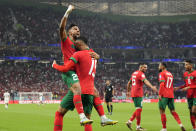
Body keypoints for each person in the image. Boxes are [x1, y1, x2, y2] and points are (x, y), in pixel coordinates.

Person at [53, 5, 117, 131]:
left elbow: (92, 58)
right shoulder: (66, 41)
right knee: (78, 88)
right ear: (70, 32)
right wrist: (68, 11)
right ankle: (82, 116)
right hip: (69, 72)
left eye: (79, 30)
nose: (78, 31)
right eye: (76, 29)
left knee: (94, 92)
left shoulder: (81, 47)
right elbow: (61, 28)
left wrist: (98, 57)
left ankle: (101, 117)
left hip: (80, 76)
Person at [126, 63, 157, 131]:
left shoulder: (134, 73)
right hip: (138, 93)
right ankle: (138, 127)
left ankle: (129, 122)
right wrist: (152, 86)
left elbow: (129, 83)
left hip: (134, 93)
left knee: (139, 109)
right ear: (141, 67)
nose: (146, 69)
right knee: (139, 110)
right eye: (144, 67)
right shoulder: (141, 74)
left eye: (146, 67)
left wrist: (128, 91)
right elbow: (145, 81)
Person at [158, 63, 185, 131]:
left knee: (162, 111)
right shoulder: (170, 74)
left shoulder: (162, 73)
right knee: (173, 111)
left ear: (163, 66)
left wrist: (160, 94)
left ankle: (164, 128)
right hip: (171, 94)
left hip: (164, 94)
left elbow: (162, 84)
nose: (159, 67)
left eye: (159, 65)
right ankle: (180, 124)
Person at [175, 60, 196, 131]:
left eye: (187, 65)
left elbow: (191, 85)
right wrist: (179, 87)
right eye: (185, 65)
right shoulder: (185, 74)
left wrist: (189, 87)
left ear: (191, 66)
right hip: (189, 96)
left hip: (195, 95)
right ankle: (194, 128)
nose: (185, 66)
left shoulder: (195, 73)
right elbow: (186, 84)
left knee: (193, 111)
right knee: (191, 112)